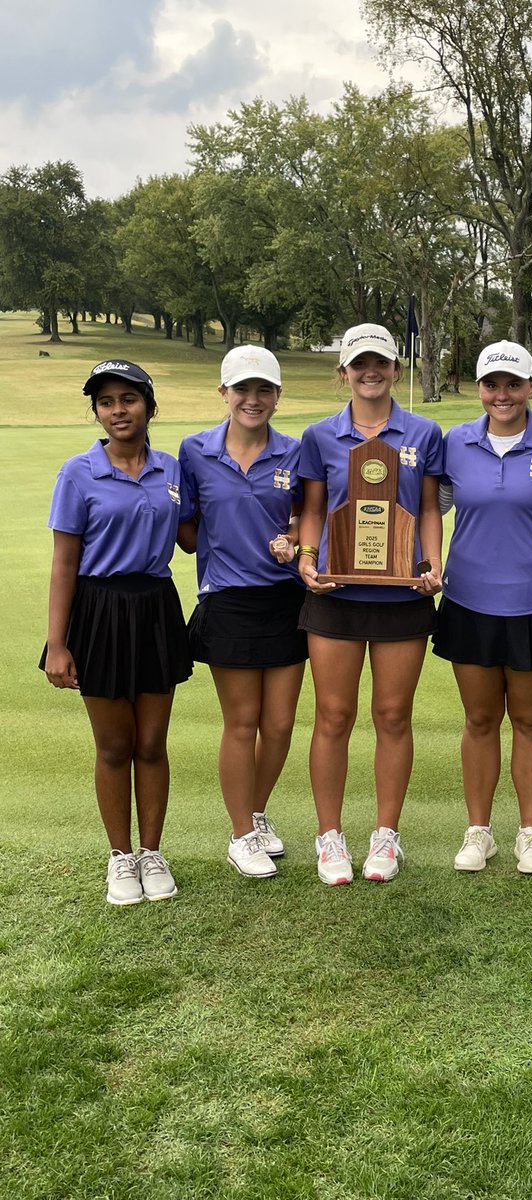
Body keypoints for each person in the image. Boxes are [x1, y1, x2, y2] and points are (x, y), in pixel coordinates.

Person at [41, 359, 192, 905]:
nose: (117, 410)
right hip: (98, 612)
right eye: (106, 402)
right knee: (114, 745)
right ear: (97, 412)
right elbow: (63, 565)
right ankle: (121, 858)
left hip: (154, 607)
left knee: (151, 743)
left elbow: (195, 536)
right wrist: (57, 644)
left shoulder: (172, 470)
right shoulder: (77, 473)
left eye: (128, 399)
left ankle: (152, 852)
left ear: (150, 406)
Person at [297, 323, 443, 885]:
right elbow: (313, 508)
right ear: (344, 373)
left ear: (396, 369)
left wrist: (432, 562)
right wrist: (308, 557)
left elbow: (429, 507)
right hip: (334, 592)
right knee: (333, 715)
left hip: (401, 593)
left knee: (391, 715)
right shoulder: (318, 436)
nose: (370, 371)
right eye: (359, 364)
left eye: (380, 362)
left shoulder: (424, 433)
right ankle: (329, 837)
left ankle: (386, 834)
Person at [433, 340, 532, 874]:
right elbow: (436, 508)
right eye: (492, 384)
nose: (503, 394)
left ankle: (529, 834)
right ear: (479, 389)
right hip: (469, 599)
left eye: (513, 384)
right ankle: (479, 833)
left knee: (529, 719)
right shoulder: (454, 444)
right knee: (478, 719)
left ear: (531, 387)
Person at [178, 346, 306, 880]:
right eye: (243, 389)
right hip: (227, 599)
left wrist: (294, 540)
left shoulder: (295, 453)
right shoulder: (195, 451)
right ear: (224, 393)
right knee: (242, 721)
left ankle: (254, 814)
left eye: (264, 390)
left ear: (277, 395)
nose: (253, 400)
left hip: (287, 601)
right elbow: (186, 530)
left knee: (278, 725)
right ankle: (239, 835)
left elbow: (307, 519)